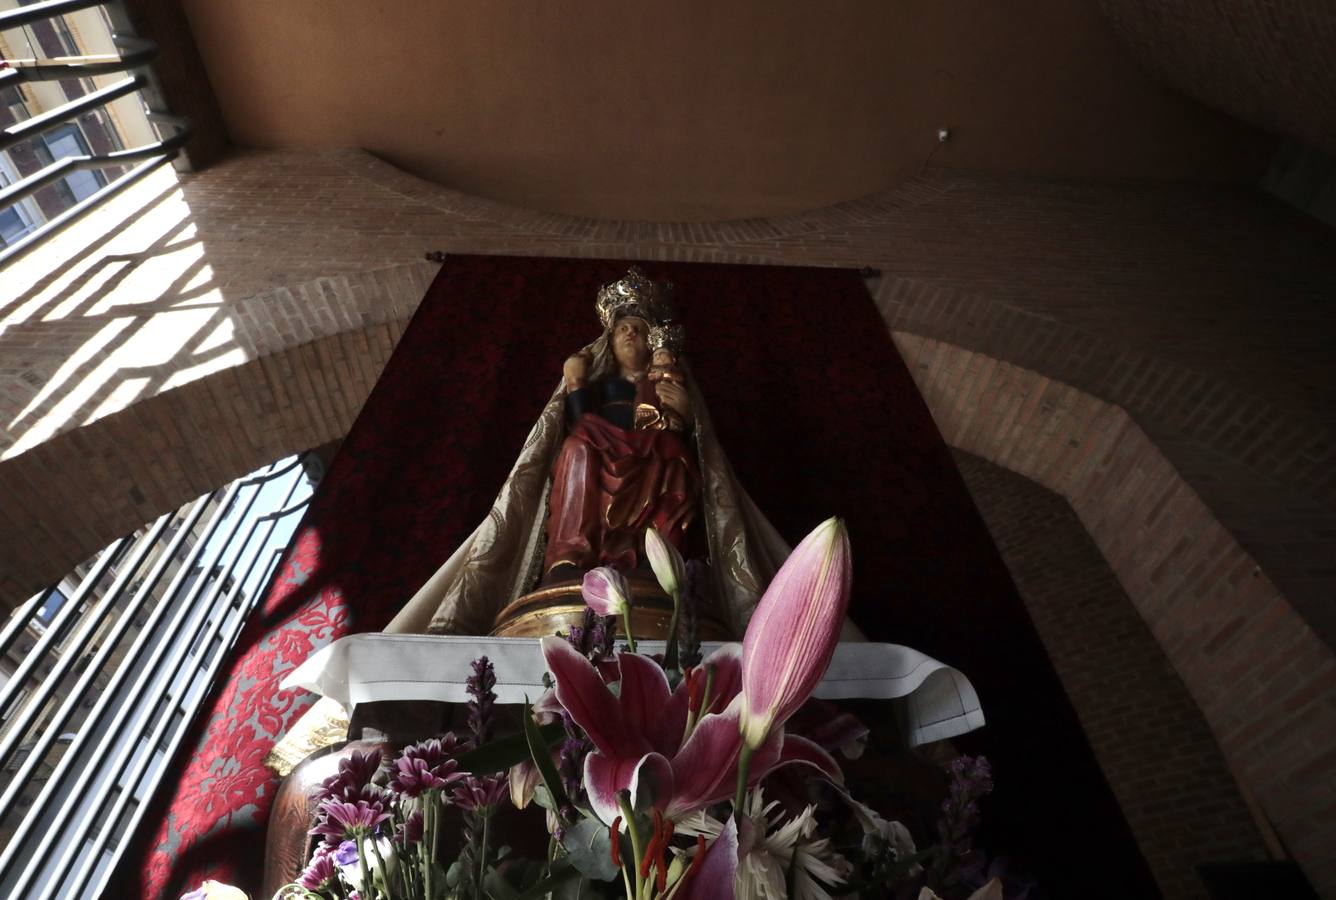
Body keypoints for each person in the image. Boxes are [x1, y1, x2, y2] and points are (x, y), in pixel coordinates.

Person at [542, 280, 699, 580]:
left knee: (672, 455)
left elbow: (689, 434)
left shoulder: (662, 382)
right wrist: (575, 382)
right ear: (609, 341)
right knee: (576, 447)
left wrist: (687, 414)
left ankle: (658, 560)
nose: (630, 333)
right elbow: (579, 424)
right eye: (623, 328)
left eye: (639, 330)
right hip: (601, 449)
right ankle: (569, 556)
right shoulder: (601, 386)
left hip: (650, 455)